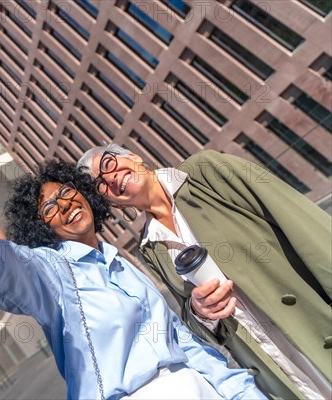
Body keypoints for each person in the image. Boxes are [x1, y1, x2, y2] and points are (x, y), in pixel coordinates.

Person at [0, 54, 267, 399]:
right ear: (42, 229)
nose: (63, 204)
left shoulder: (127, 264)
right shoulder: (50, 275)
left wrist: (243, 393)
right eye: (48, 208)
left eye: (66, 192)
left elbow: (186, 347)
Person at [78, 144, 332, 399]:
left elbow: (303, 226)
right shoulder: (150, 248)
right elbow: (190, 321)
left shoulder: (205, 171)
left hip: (311, 327)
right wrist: (201, 312)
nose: (110, 178)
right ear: (111, 202)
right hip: (277, 368)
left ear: (133, 156)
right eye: (101, 185)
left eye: (109, 164)